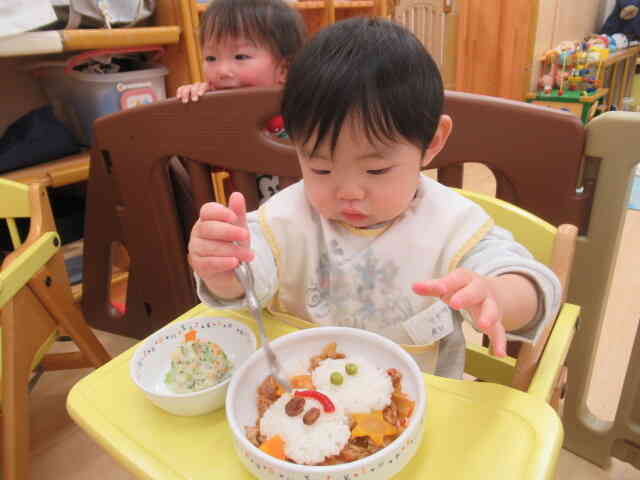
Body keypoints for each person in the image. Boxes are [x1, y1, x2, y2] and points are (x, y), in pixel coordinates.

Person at [187, 18, 561, 378]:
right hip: (301, 398)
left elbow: (533, 288)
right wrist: (222, 269)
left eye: (376, 171)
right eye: (320, 169)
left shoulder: (450, 225)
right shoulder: (286, 218)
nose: (348, 191)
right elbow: (245, 284)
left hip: (418, 407)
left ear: (432, 141)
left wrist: (497, 293)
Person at [175, 0, 305, 205]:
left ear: (284, 70)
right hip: (249, 229)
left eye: (240, 56)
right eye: (210, 58)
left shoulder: (305, 114)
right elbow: (201, 161)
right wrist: (196, 111)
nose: (222, 71)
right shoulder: (224, 118)